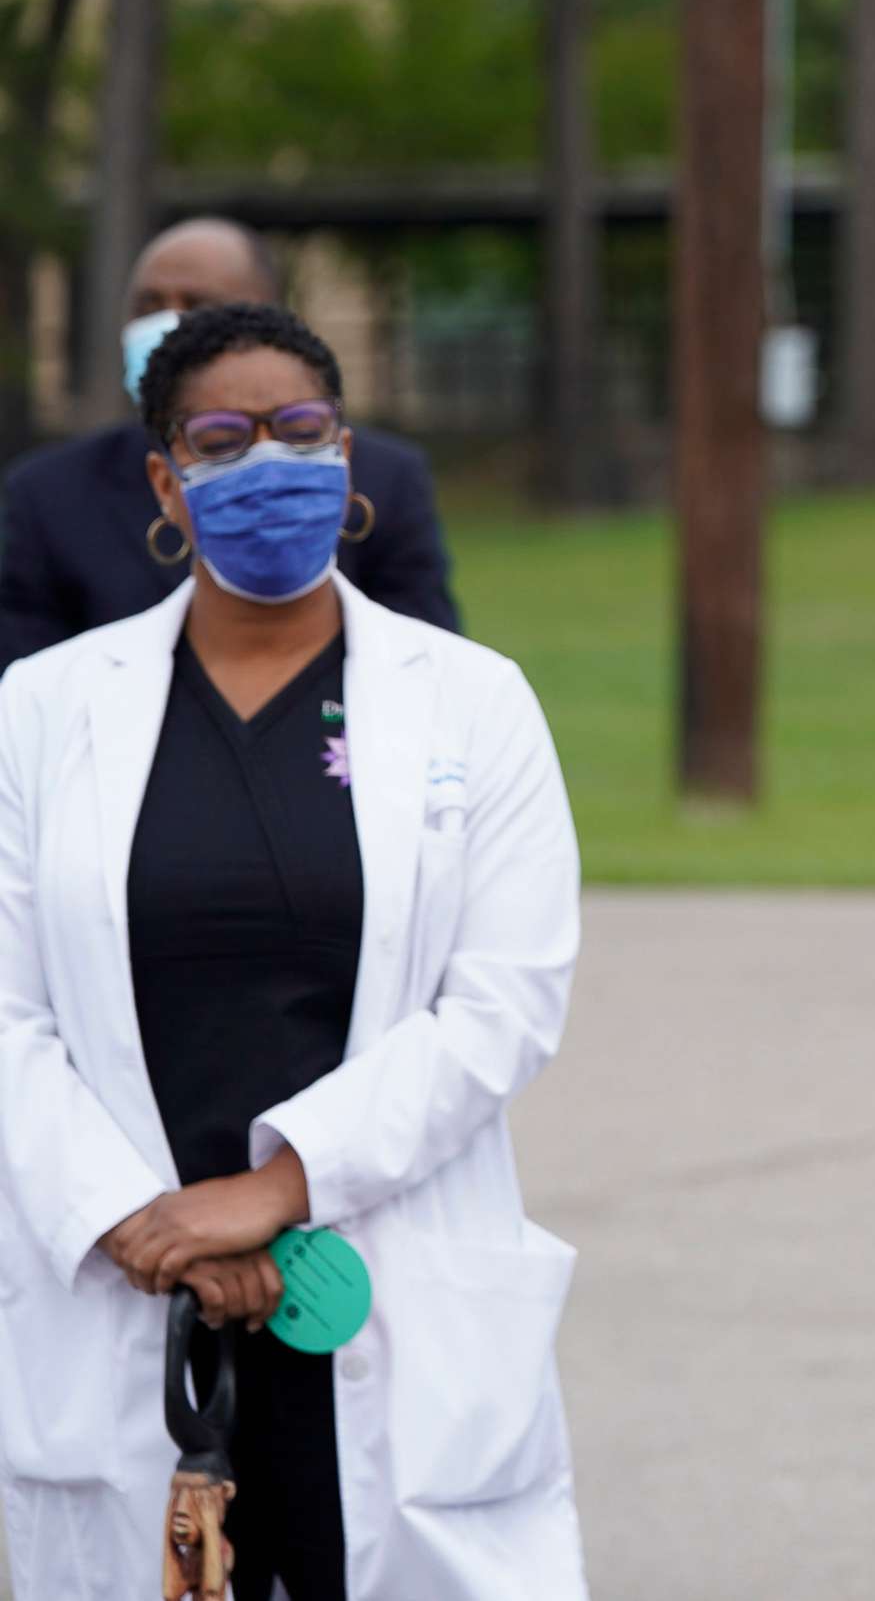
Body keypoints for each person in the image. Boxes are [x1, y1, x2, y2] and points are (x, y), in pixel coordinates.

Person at [0, 303, 586, 1599]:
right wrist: (138, 1221)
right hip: (125, 1276)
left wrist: (278, 1184)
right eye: (223, 437)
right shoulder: (43, 711)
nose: (271, 459)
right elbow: (6, 1013)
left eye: (302, 429)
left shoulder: (472, 702)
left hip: (375, 1274)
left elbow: (505, 997)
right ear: (164, 480)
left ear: (349, 458)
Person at [0, 217, 458, 668]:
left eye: (198, 304)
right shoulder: (45, 493)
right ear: (163, 484)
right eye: (147, 305)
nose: (167, 322)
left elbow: (424, 667)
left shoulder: (386, 477)